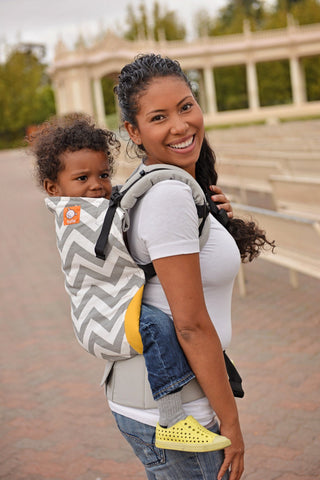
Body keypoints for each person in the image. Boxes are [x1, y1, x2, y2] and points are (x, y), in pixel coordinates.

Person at [108, 53, 275, 480]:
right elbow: (191, 325)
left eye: (186, 106)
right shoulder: (169, 196)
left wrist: (215, 225)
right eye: (159, 116)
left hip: (151, 396)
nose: (181, 126)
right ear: (135, 131)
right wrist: (231, 425)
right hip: (180, 411)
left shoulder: (164, 186)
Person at [31, 113, 234, 453]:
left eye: (103, 175)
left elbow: (119, 206)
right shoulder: (71, 215)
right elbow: (118, 221)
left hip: (117, 302)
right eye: (82, 177)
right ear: (54, 188)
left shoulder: (88, 204)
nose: (97, 185)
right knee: (157, 327)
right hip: (105, 311)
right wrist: (165, 181)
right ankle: (171, 418)